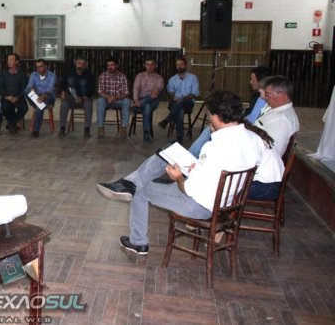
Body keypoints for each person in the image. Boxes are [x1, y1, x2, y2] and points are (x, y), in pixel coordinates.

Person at [107, 90, 283, 255]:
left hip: (200, 206)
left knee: (140, 190)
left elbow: (188, 190)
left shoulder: (214, 147)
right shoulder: (254, 139)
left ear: (217, 117)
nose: (208, 119)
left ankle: (138, 241)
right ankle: (129, 182)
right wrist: (198, 168)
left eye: (209, 114)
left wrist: (178, 177)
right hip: (226, 200)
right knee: (167, 153)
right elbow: (226, 166)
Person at [188, 66, 270, 157]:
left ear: (261, 81)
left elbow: (251, 119)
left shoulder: (261, 99)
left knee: (208, 131)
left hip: (244, 125)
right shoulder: (257, 97)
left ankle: (188, 157)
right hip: (243, 124)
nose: (250, 82)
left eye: (253, 80)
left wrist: (235, 118)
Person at [158, 57, 199, 143]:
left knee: (182, 101)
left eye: (181, 64)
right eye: (177, 65)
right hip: (174, 103)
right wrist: (173, 97)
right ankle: (179, 137)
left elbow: (195, 93)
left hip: (188, 103)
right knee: (180, 110)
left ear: (186, 65)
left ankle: (167, 120)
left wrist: (183, 98)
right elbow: (170, 91)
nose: (179, 66)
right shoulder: (172, 79)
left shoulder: (193, 78)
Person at [58, 56, 95, 138]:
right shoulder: (69, 72)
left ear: (85, 65)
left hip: (84, 99)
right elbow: (62, 84)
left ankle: (87, 130)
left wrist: (82, 98)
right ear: (75, 63)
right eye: (79, 63)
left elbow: (91, 90)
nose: (80, 66)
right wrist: (63, 92)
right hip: (71, 98)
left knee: (88, 105)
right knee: (64, 104)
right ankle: (62, 129)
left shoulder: (90, 75)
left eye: (83, 64)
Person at [96, 57, 130, 138]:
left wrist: (115, 97)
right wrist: (108, 97)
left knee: (127, 101)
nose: (110, 67)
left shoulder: (122, 76)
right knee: (100, 101)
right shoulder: (102, 76)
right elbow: (100, 91)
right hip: (106, 101)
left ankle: (124, 128)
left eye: (112, 65)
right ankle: (101, 128)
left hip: (118, 100)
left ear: (116, 65)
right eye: (108, 65)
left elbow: (125, 92)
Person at [132, 58, 164, 142]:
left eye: (152, 64)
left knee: (152, 97)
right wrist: (136, 99)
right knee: (147, 106)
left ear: (155, 65)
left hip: (153, 100)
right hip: (141, 99)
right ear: (145, 65)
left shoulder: (159, 78)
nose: (150, 67)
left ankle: (135, 107)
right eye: (148, 64)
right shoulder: (140, 76)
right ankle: (146, 132)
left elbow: (159, 88)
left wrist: (156, 91)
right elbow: (136, 88)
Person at [0, 53, 28, 134]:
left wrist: (17, 97)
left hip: (18, 97)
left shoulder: (22, 74)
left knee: (24, 108)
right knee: (5, 107)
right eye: (8, 60)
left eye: (11, 60)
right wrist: (6, 96)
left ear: (17, 62)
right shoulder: (3, 73)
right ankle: (13, 124)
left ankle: (11, 124)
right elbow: (0, 86)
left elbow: (24, 88)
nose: (9, 62)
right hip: (6, 97)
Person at [26, 59, 57, 138]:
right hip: (36, 96)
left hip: (48, 96)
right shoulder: (33, 74)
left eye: (41, 67)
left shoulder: (52, 75)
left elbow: (50, 89)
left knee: (40, 106)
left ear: (46, 66)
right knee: (26, 91)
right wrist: (32, 90)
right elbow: (29, 86)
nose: (38, 69)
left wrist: (43, 96)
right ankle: (38, 104)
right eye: (37, 67)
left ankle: (36, 130)